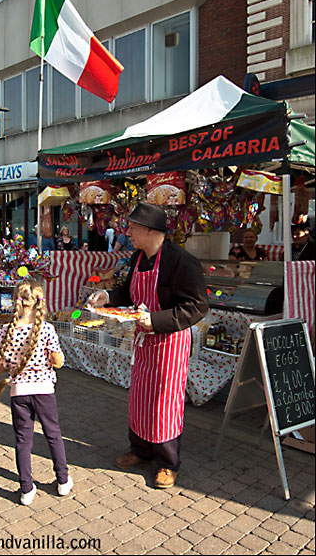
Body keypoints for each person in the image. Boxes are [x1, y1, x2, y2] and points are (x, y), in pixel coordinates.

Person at [89, 202, 208, 489]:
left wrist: (155, 321)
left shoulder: (181, 262)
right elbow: (129, 291)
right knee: (140, 397)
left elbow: (197, 307)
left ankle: (168, 462)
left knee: (165, 402)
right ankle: (140, 450)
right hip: (144, 342)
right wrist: (108, 296)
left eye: (132, 227)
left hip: (169, 341)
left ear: (150, 230)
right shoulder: (137, 258)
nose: (127, 232)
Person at [0, 279, 73, 504]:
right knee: (53, 434)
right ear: (40, 302)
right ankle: (63, 480)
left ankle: (26, 488)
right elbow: (57, 362)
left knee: (22, 440)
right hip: (44, 390)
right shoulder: (46, 329)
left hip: (18, 392)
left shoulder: (6, 331)